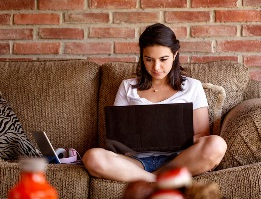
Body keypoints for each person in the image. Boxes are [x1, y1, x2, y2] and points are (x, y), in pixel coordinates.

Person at [82, 23, 227, 182]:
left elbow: (202, 135)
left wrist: (170, 137)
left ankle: (149, 179)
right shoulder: (127, 86)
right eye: (149, 59)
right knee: (92, 157)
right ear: (142, 57)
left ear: (175, 54)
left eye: (163, 59)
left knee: (217, 144)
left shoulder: (193, 86)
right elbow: (118, 139)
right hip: (135, 162)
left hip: (179, 159)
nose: (156, 67)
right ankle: (158, 180)